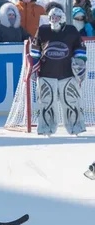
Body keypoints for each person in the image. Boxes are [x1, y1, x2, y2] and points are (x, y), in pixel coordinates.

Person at [30, 7, 87, 136]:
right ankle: (46, 128)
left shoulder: (71, 30)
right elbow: (35, 50)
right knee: (46, 102)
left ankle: (75, 127)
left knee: (71, 101)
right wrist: (33, 67)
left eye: (56, 17)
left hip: (67, 74)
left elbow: (80, 48)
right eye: (51, 17)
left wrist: (80, 62)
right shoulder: (43, 30)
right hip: (46, 74)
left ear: (63, 19)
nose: (54, 20)